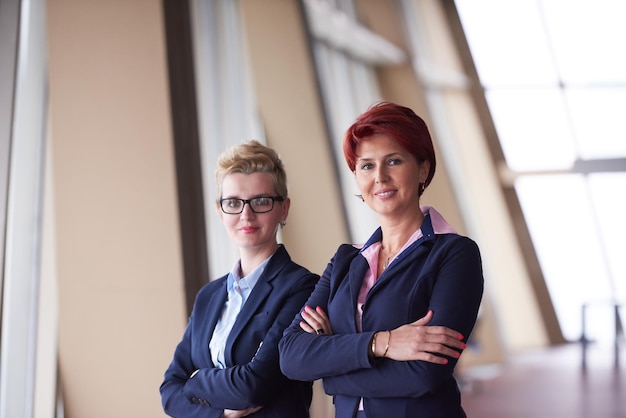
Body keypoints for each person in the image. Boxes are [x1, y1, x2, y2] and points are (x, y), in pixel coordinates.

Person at [279, 102, 484, 418]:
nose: (380, 177)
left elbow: (425, 374)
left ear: (423, 169)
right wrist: (383, 343)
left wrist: (332, 373)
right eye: (366, 166)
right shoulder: (346, 261)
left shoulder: (455, 255)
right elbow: (292, 356)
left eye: (394, 161)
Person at [161, 140, 319, 418]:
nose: (246, 214)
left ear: (283, 209)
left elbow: (255, 385)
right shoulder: (209, 296)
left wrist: (196, 379)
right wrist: (221, 414)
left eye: (261, 201)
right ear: (220, 211)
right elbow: (169, 391)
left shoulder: (302, 287)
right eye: (233, 203)